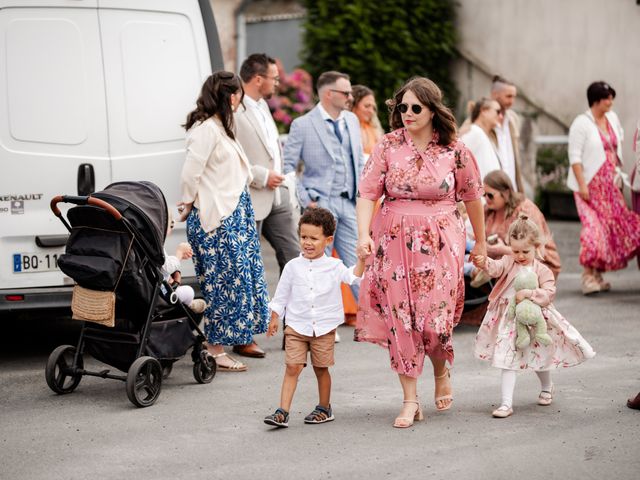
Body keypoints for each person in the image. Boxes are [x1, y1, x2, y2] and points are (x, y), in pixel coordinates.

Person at [355, 76, 486, 428]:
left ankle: (441, 368)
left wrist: (482, 243)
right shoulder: (388, 145)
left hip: (441, 241)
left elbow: (473, 197)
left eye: (416, 107)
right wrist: (364, 236)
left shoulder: (454, 150)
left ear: (432, 111)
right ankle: (410, 399)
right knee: (403, 320)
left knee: (435, 321)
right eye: (402, 107)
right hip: (394, 240)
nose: (407, 113)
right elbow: (367, 193)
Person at [179, 71, 270, 372]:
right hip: (218, 219)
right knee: (222, 285)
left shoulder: (221, 127)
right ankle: (214, 348)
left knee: (239, 282)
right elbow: (191, 172)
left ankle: (232, 338)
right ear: (232, 96)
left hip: (234, 215)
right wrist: (188, 201)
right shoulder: (206, 129)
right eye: (239, 94)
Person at [473, 213, 595, 418]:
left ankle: (547, 386)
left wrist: (529, 294)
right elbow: (495, 269)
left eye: (525, 251)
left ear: (536, 246)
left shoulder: (541, 269)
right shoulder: (509, 261)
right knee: (507, 359)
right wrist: (484, 261)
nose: (520, 255)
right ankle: (506, 403)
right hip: (509, 318)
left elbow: (549, 292)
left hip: (534, 319)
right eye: (515, 250)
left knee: (538, 355)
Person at [263, 208, 364, 428]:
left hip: (324, 328)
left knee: (321, 368)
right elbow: (281, 296)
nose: (307, 242)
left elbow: (353, 277)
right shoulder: (292, 267)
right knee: (292, 367)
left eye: (313, 238)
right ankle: (282, 412)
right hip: (296, 326)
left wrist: (362, 259)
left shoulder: (334, 266)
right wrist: (274, 318)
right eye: (303, 237)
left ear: (327, 240)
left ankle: (324, 408)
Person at [234, 54, 299, 358]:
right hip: (251, 194)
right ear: (258, 78)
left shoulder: (263, 107)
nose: (277, 82)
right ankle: (243, 335)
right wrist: (261, 176)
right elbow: (232, 156)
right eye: (273, 77)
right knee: (247, 265)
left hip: (277, 197)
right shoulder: (235, 109)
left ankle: (295, 327)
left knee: (295, 258)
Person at [283, 71, 366, 303]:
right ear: (329, 94)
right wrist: (306, 198)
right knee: (318, 269)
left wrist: (362, 195)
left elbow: (358, 160)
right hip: (320, 204)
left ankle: (374, 322)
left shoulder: (351, 120)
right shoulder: (303, 124)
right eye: (346, 92)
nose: (350, 96)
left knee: (358, 264)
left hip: (349, 203)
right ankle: (317, 322)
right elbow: (287, 167)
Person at [567, 81, 640, 295]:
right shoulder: (581, 123)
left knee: (610, 229)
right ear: (596, 100)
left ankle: (597, 274)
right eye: (607, 98)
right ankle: (587, 276)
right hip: (590, 184)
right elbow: (575, 157)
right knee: (594, 230)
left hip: (610, 184)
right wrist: (582, 186)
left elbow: (617, 149)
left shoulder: (612, 118)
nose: (610, 102)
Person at [483, 170, 561, 278]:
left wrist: (502, 250)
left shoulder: (525, 210)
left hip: (534, 264)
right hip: (503, 266)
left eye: (490, 195)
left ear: (506, 193)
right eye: (484, 194)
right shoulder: (488, 211)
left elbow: (537, 251)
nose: (486, 199)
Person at [162, 213, 206, 314]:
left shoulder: (146, 244)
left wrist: (180, 258)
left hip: (165, 285)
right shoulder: (155, 246)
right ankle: (189, 304)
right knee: (188, 291)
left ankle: (187, 303)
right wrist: (179, 254)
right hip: (163, 293)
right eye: (171, 224)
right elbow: (167, 267)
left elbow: (164, 263)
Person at [460, 98, 503, 181]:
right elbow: (458, 163)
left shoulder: (483, 135)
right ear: (484, 111)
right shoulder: (474, 132)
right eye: (498, 112)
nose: (501, 116)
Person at [350, 85, 384, 158]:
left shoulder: (375, 129)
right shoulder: (345, 127)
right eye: (367, 106)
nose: (371, 111)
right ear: (353, 105)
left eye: (373, 108)